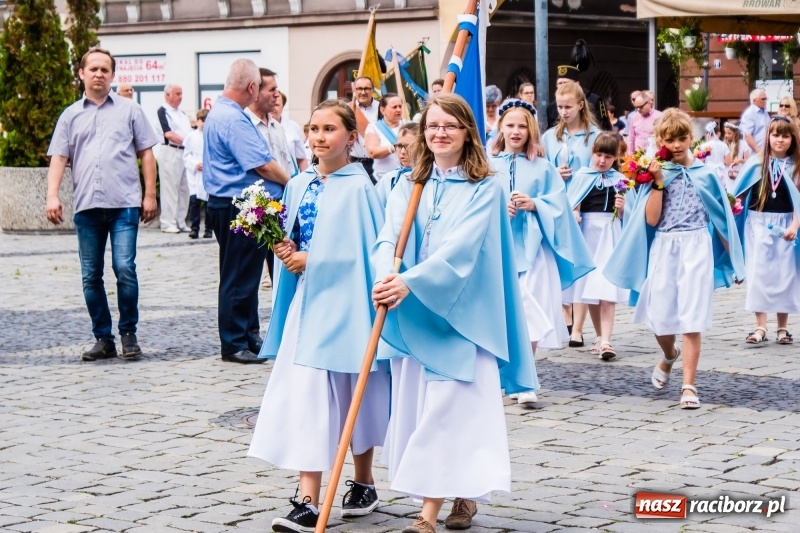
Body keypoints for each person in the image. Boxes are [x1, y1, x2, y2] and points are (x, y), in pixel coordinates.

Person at [371, 94, 538, 533]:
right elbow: (387, 238)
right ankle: (458, 492)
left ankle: (428, 515)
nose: (439, 133)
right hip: (414, 312)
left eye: (450, 125)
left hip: (464, 317)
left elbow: (460, 250)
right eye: (432, 126)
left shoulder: (486, 187)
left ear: (467, 131)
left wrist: (411, 281)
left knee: (449, 411)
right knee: (429, 411)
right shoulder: (408, 185)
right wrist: (386, 274)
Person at [249, 100, 390, 533]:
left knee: (354, 391)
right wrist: (285, 248)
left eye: (330, 129)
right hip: (308, 305)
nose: (319, 136)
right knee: (306, 391)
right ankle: (307, 496)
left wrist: (314, 257)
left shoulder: (360, 187)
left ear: (351, 138)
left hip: (347, 302)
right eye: (313, 128)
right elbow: (294, 235)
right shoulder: (298, 184)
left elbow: (365, 249)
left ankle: (363, 481)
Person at [604, 108, 745, 410]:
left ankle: (689, 385)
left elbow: (721, 219)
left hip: (696, 246)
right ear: (659, 139)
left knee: (692, 317)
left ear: (691, 138)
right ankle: (669, 354)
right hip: (665, 246)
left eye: (682, 138)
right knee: (659, 316)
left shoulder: (706, 174)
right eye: (670, 139)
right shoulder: (658, 173)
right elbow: (652, 220)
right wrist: (656, 181)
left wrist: (735, 261)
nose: (677, 144)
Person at [45, 47, 160, 361]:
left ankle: (128, 333)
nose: (98, 74)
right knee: (90, 275)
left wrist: (149, 195)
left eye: (104, 70)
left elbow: (147, 153)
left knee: (125, 268)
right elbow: (59, 158)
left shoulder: (130, 110)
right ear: (81, 74)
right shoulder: (70, 115)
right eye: (92, 69)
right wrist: (52, 195)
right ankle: (103, 338)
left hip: (124, 204)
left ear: (112, 75)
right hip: (87, 207)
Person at [491, 99, 593, 402]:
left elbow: (559, 203)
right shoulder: (487, 163)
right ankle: (506, 373)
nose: (516, 131)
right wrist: (498, 208)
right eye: (510, 125)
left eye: (522, 126)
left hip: (532, 249)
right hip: (499, 248)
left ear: (531, 130)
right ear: (501, 128)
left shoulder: (542, 166)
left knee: (530, 310)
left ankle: (526, 377)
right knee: (506, 312)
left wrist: (535, 204)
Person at [203, 59, 290, 364]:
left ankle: (249, 335)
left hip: (234, 202)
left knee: (247, 275)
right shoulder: (233, 118)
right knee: (238, 276)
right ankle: (234, 341)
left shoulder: (223, 112)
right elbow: (262, 165)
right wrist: (293, 183)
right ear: (252, 87)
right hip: (237, 204)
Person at [732, 116, 800, 346]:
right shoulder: (755, 163)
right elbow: (737, 196)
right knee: (758, 271)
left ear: (793, 139)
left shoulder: (797, 165)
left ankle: (783, 327)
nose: (780, 140)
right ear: (768, 137)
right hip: (757, 222)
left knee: (785, 275)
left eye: (785, 135)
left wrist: (794, 225)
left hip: (786, 222)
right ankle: (761, 325)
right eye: (776, 135)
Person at [566, 133, 631, 360]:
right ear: (592, 152)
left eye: (608, 156)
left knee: (606, 288)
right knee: (591, 287)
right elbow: (572, 202)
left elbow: (627, 215)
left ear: (616, 158)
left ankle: (606, 341)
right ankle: (599, 335)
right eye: (599, 155)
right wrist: (575, 210)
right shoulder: (582, 176)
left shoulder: (620, 180)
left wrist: (622, 208)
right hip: (587, 235)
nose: (602, 160)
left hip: (609, 233)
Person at [246, 68, 299, 287]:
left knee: (282, 270)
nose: (278, 94)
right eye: (273, 89)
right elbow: (264, 167)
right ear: (256, 92)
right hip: (257, 210)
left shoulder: (276, 125)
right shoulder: (246, 125)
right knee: (249, 275)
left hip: (281, 205)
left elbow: (287, 162)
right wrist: (292, 183)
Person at [156, 84, 193, 233]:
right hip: (170, 151)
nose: (180, 97)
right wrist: (187, 142)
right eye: (177, 93)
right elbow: (168, 134)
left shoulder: (182, 113)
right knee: (170, 188)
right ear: (168, 95)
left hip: (184, 153)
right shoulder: (162, 111)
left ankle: (180, 220)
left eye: (181, 93)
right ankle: (167, 222)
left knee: (185, 188)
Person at [183, 108, 212, 239]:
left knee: (208, 203)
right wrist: (195, 165)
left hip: (208, 173)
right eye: (202, 120)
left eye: (207, 120)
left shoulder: (212, 135)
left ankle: (209, 229)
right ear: (198, 121)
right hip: (195, 173)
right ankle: (194, 227)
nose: (204, 123)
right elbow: (186, 155)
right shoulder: (191, 137)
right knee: (194, 201)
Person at [365, 93, 407, 181]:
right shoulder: (374, 128)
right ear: (383, 110)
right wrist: (393, 147)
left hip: (406, 177)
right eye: (394, 107)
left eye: (400, 106)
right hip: (383, 179)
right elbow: (372, 152)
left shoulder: (408, 125)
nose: (398, 109)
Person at [376, 122, 418, 207]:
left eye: (409, 146)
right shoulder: (389, 179)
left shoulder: (431, 176)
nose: (403, 152)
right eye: (399, 146)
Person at [350, 76, 380, 181]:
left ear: (372, 90)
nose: (363, 92)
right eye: (359, 89)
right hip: (353, 162)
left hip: (376, 163)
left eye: (366, 88)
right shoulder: (348, 109)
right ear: (354, 90)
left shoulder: (382, 108)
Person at [272, 91, 309, 172]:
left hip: (290, 178)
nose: (273, 108)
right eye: (271, 104)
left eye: (277, 105)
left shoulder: (293, 127)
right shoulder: (257, 125)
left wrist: (305, 182)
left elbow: (301, 159)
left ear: (283, 107)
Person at [740, 89, 769, 154]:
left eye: (766, 99)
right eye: (763, 99)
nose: (765, 101)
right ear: (754, 101)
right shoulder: (749, 114)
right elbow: (748, 135)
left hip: (766, 152)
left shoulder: (764, 113)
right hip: (755, 153)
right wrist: (758, 151)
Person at [724, 120, 751, 189]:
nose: (726, 135)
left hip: (739, 172)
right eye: (726, 133)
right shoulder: (724, 144)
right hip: (726, 173)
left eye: (729, 133)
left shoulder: (743, 144)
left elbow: (748, 160)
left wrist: (740, 160)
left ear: (735, 133)